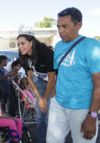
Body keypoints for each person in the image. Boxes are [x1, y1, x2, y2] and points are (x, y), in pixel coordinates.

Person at [46, 7, 100, 143]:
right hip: (58, 105)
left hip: (82, 109)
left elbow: (98, 85)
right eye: (58, 26)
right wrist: (55, 96)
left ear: (78, 25)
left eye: (65, 26)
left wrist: (92, 117)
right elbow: (60, 73)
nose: (60, 31)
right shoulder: (58, 46)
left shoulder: (92, 46)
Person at [17, 27, 56, 143]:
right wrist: (39, 98)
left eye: (23, 43)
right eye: (18, 44)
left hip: (54, 84)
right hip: (39, 82)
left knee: (49, 117)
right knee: (40, 118)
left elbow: (52, 80)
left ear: (31, 42)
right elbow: (30, 78)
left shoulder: (47, 53)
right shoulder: (24, 57)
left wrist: (44, 98)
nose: (20, 47)